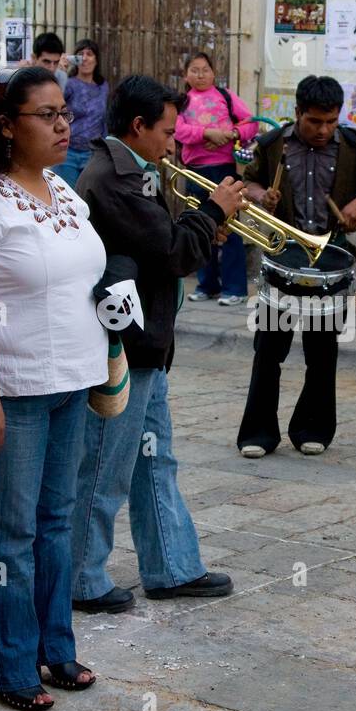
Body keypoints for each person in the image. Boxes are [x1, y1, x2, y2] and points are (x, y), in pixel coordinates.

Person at [0, 65, 107, 711]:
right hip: (10, 389)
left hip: (72, 384)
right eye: (47, 114)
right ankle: (12, 667)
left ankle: (55, 649)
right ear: (7, 124)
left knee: (57, 524)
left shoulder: (64, 192)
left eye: (65, 112)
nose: (64, 124)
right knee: (13, 534)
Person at [69, 74, 249, 614]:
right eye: (167, 132)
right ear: (138, 126)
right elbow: (172, 251)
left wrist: (204, 223)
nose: (174, 144)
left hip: (149, 341)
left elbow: (163, 247)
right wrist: (213, 212)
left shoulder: (137, 173)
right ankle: (81, 576)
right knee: (105, 467)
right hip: (126, 344)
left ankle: (171, 566)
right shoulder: (115, 178)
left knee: (154, 461)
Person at [237, 75, 356, 459]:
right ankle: (258, 432)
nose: (323, 130)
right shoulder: (273, 145)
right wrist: (261, 196)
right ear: (297, 114)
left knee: (322, 353)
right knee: (268, 350)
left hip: (331, 262)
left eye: (330, 122)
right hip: (281, 258)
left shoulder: (353, 147)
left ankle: (313, 427)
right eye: (314, 122)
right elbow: (248, 182)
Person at [177, 51, 259, 306]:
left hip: (223, 170)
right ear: (185, 75)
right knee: (200, 225)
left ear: (213, 73)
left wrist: (232, 133)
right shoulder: (181, 101)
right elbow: (179, 130)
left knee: (230, 228)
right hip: (196, 171)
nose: (200, 75)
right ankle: (206, 285)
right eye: (194, 70)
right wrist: (208, 133)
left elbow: (251, 123)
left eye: (205, 69)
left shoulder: (226, 96)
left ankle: (235, 288)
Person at [52, 38, 107, 189]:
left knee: (88, 198)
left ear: (96, 59)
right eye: (80, 54)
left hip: (93, 153)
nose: (85, 58)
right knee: (67, 196)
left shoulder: (103, 86)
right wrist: (60, 71)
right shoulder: (69, 83)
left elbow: (103, 119)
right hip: (68, 152)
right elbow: (52, 101)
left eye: (89, 54)